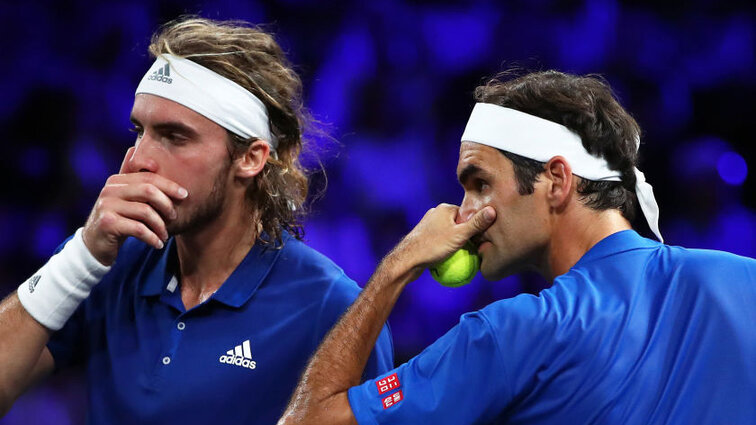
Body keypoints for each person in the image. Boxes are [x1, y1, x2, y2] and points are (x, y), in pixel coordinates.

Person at [278, 70, 756, 424]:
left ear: (556, 180)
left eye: (479, 183)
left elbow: (310, 419)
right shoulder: (742, 279)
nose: (463, 213)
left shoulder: (509, 333)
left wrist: (397, 266)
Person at [0, 17, 393, 424]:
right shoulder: (100, 262)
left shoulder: (330, 307)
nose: (138, 160)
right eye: (140, 131)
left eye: (174, 136)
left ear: (249, 158)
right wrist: (82, 256)